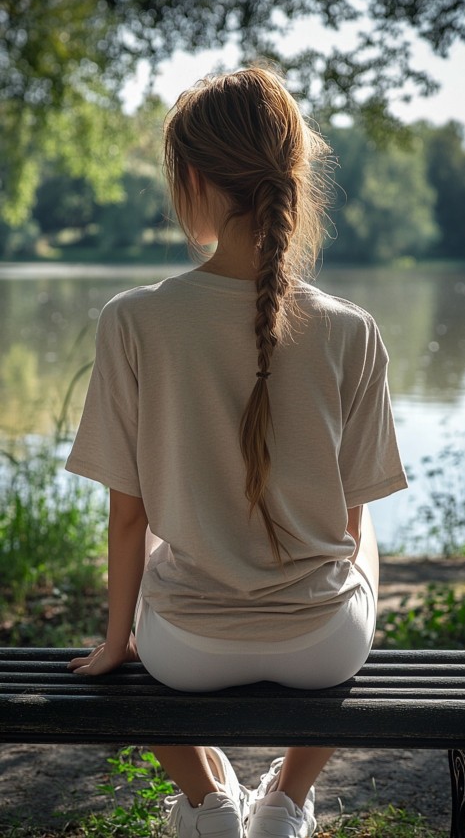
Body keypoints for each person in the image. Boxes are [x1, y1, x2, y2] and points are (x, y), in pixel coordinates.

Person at [66, 66, 408, 838]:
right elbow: (350, 522)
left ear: (191, 176)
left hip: (184, 648)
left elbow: (128, 518)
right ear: (292, 173)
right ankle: (286, 800)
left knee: (156, 531)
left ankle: (210, 802)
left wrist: (120, 643)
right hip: (326, 646)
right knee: (365, 535)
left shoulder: (135, 320)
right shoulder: (351, 328)